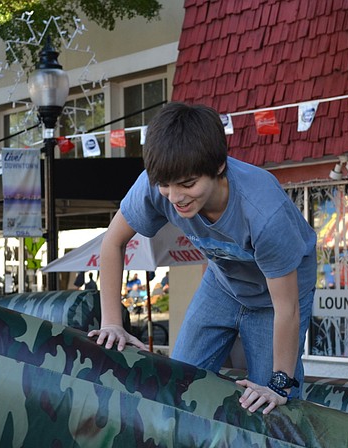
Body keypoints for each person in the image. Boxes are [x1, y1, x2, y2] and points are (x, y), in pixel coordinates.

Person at [88, 102, 316, 415]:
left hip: (275, 298)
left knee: (271, 406)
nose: (175, 197)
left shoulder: (265, 213)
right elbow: (112, 243)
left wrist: (279, 383)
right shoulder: (158, 185)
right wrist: (112, 321)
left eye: (188, 184)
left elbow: (287, 308)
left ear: (219, 166)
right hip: (222, 283)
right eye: (166, 185)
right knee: (175, 386)